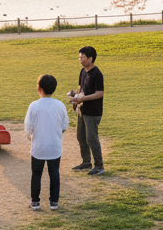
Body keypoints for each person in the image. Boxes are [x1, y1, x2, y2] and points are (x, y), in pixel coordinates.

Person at [25, 74, 68, 211]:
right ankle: (54, 202)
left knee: (36, 174)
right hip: (54, 147)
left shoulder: (34, 106)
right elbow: (64, 125)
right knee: (54, 173)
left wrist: (30, 135)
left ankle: (35, 202)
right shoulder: (60, 105)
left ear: (39, 88)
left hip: (38, 147)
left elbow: (29, 127)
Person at [68, 45, 106, 175]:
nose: (80, 59)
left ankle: (99, 166)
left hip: (93, 112)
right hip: (82, 110)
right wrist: (75, 97)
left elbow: (99, 93)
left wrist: (83, 99)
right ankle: (86, 162)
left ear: (90, 58)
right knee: (81, 137)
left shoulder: (97, 74)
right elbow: (82, 89)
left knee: (92, 138)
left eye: (82, 57)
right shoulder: (83, 71)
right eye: (79, 57)